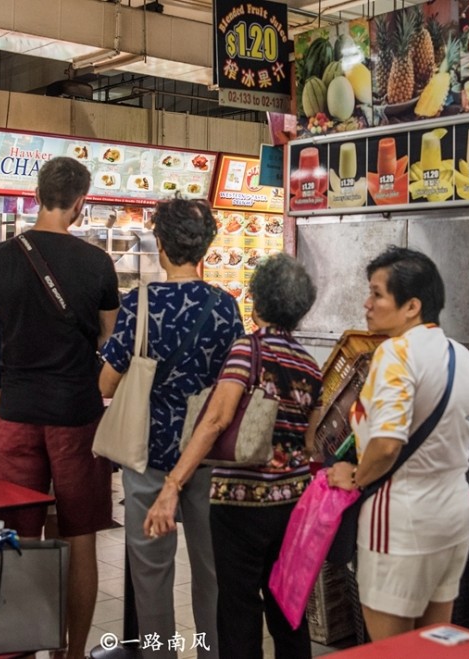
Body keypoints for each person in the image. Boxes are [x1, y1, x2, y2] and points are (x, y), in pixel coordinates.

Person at [0, 156, 120, 659]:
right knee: (81, 538)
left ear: (37, 195)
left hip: (15, 415)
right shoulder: (98, 263)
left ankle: (21, 646)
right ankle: (72, 653)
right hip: (78, 416)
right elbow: (111, 340)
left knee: (20, 538)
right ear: (81, 202)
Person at [145, 253, 323, 659]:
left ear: (256, 302)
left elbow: (215, 421)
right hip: (293, 503)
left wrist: (173, 483)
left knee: (239, 609)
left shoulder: (248, 350)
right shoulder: (310, 366)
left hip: (241, 503)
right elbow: (310, 442)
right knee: (287, 611)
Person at [99, 198, 244, 659]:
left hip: (148, 454)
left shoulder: (139, 303)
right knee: (211, 574)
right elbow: (235, 383)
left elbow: (107, 380)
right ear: (204, 248)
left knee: (151, 577)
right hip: (206, 457)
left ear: (160, 244)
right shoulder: (226, 308)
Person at [326, 246, 469, 641]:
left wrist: (355, 477)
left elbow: (388, 443)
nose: (367, 303)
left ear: (412, 306)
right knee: (434, 644)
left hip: (400, 519)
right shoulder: (462, 355)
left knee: (392, 648)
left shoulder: (396, 352)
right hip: (454, 516)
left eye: (377, 294)